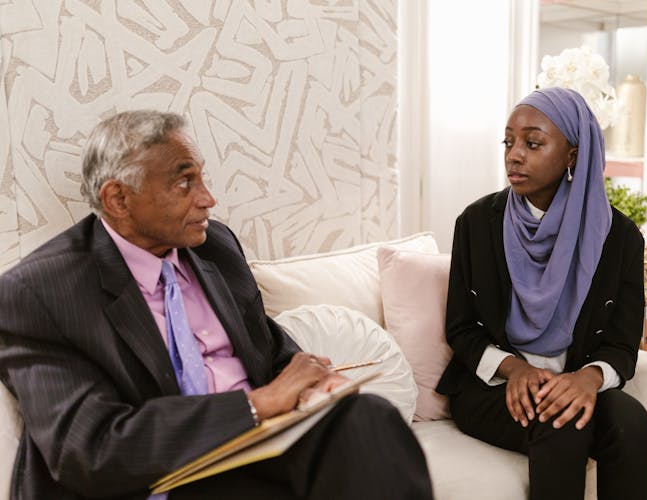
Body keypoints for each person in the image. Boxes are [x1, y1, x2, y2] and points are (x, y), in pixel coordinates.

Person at [0, 110, 433, 500]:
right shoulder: (39, 293)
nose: (208, 198)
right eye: (185, 182)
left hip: (260, 451)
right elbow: (90, 450)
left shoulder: (215, 247)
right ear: (118, 199)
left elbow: (267, 349)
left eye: (203, 178)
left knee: (367, 417)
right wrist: (256, 405)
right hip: (162, 480)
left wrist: (310, 381)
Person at [436, 87, 647, 500]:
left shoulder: (620, 238)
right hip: (492, 389)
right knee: (561, 425)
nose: (514, 154)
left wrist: (587, 379)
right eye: (509, 142)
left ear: (572, 155)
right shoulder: (475, 224)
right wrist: (513, 369)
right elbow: (462, 327)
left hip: (575, 378)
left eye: (532, 143)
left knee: (633, 427)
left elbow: (622, 344)